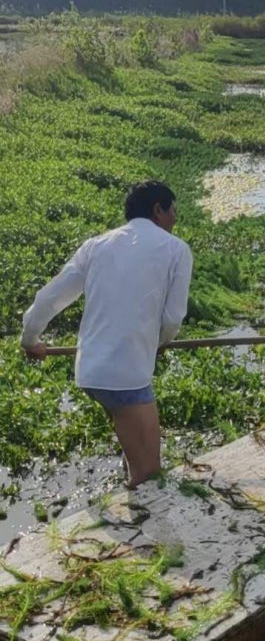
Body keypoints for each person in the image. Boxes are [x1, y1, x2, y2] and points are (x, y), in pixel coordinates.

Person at [21, 180, 193, 488]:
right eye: (172, 211)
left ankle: (128, 482)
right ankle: (138, 525)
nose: (174, 219)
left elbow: (51, 297)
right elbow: (172, 318)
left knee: (134, 448)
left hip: (91, 372)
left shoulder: (96, 245)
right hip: (125, 377)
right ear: (158, 210)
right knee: (149, 475)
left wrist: (30, 339)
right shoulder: (176, 250)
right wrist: (160, 343)